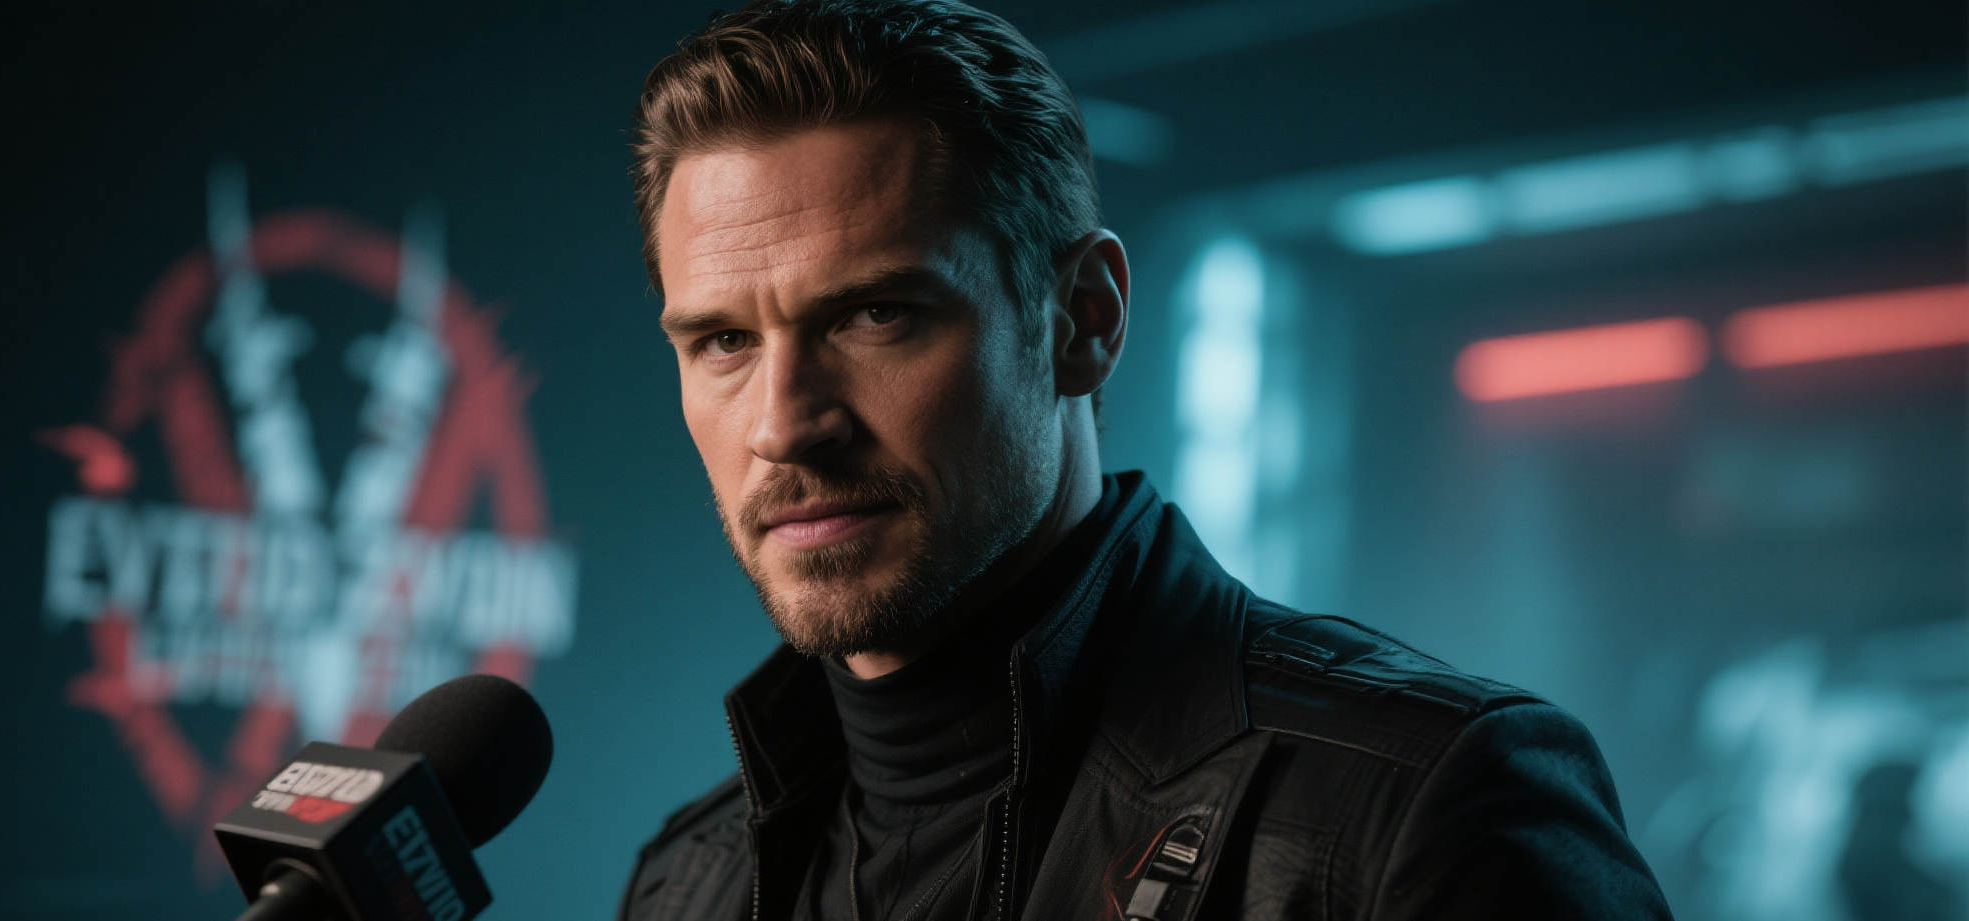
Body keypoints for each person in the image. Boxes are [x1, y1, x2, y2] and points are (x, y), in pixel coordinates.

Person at [618, 1, 1674, 918]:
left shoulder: (1420, 806)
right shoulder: (684, 883)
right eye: (723, 341)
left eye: (875, 315)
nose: (782, 425)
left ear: (1084, 318)